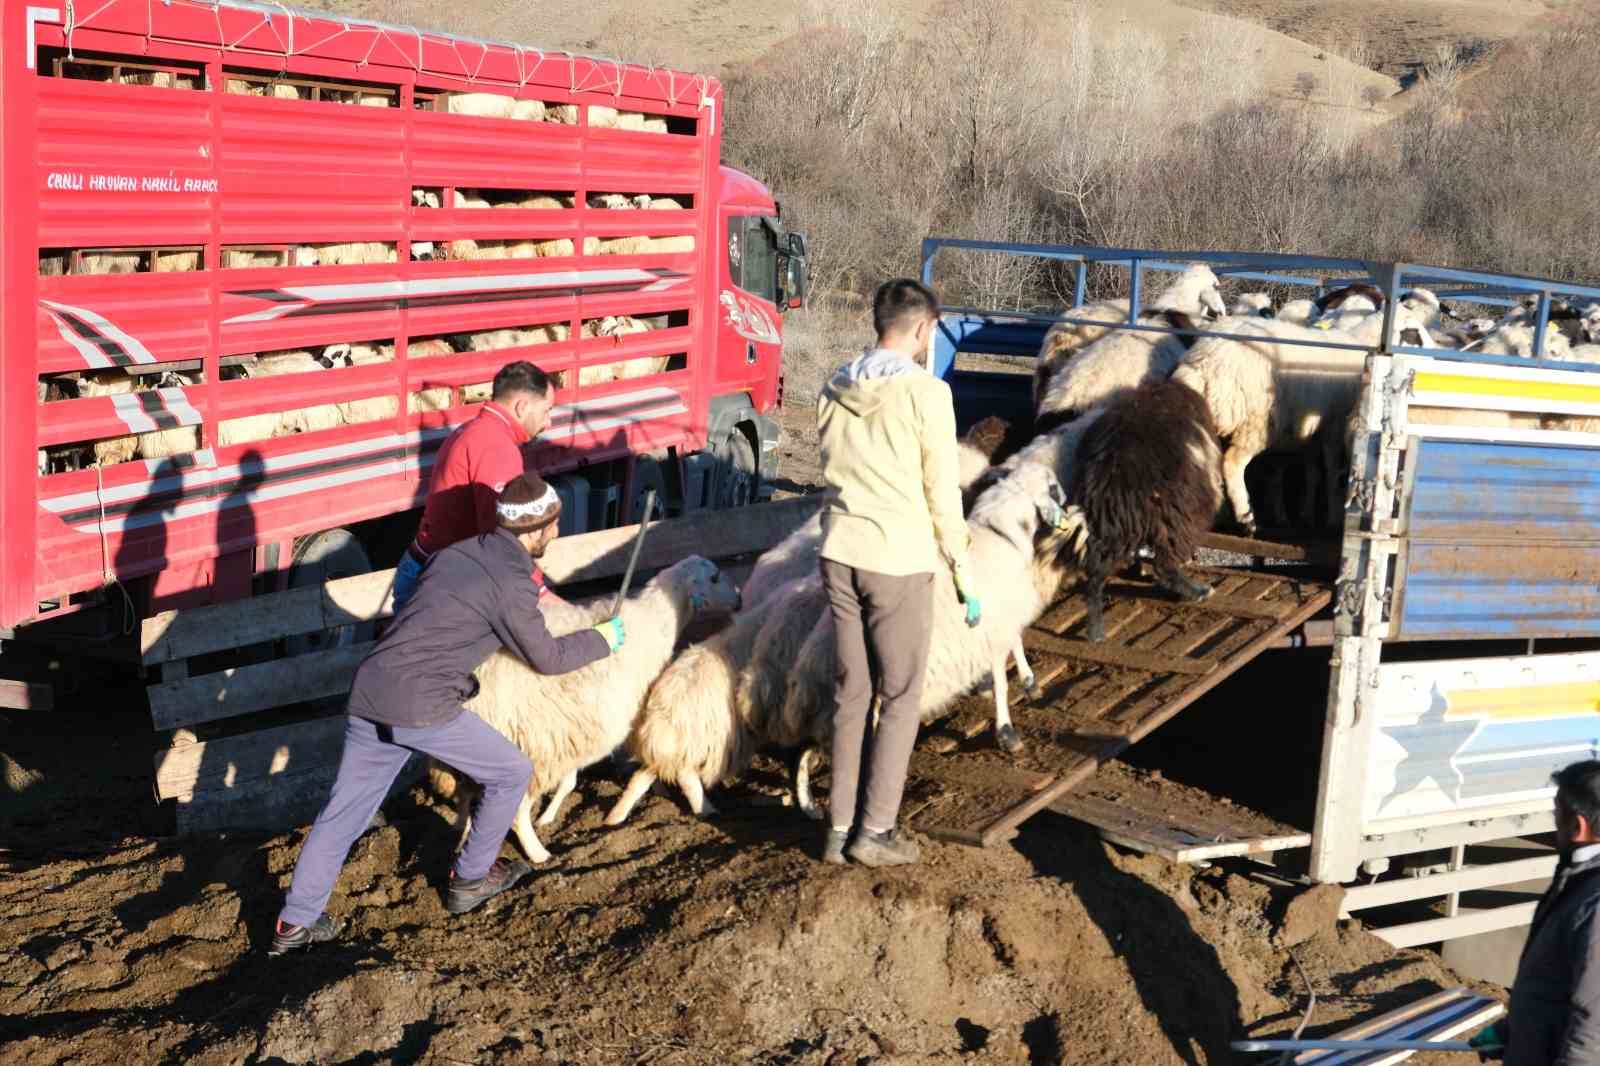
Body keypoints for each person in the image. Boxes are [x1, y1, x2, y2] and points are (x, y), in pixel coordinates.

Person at [269, 473, 625, 955]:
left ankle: (294, 925)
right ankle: (470, 880)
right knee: (512, 771)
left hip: (372, 687)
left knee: (344, 811)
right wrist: (603, 638)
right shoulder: (511, 582)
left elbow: (431, 620)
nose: (556, 533)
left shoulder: (456, 554)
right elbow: (548, 658)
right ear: (536, 529)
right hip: (421, 703)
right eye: (554, 524)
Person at [814, 277, 979, 868]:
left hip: (839, 552)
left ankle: (837, 829)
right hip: (898, 560)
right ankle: (876, 830)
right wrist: (962, 567)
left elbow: (828, 462)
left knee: (850, 694)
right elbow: (942, 491)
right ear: (922, 328)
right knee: (902, 696)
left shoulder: (834, 383)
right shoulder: (927, 395)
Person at [392, 360, 557, 611]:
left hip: (427, 571)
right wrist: (540, 592)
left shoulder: (474, 430)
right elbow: (502, 537)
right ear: (522, 407)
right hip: (439, 586)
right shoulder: (496, 448)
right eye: (547, 410)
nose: (549, 423)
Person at [1473, 759, 1600, 1064]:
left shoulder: (1594, 900)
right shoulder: (1579, 878)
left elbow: (1593, 1020)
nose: (1552, 820)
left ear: (1578, 826)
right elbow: (1555, 985)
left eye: (1556, 813)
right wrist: (1513, 1032)